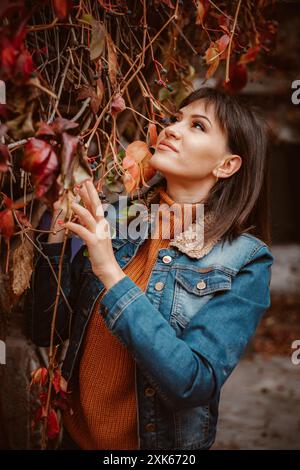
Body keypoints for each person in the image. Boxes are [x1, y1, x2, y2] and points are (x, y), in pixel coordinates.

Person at [26, 87, 274, 450]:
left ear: (227, 165)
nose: (172, 129)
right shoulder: (120, 220)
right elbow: (43, 330)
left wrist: (111, 272)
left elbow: (192, 382)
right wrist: (55, 235)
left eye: (198, 126)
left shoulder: (244, 260)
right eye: (176, 119)